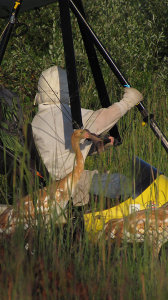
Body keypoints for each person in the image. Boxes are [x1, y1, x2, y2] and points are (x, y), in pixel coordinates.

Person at [31, 66, 143, 206]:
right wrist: (127, 102)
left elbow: (62, 152)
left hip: (55, 184)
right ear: (67, 88)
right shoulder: (63, 113)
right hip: (74, 183)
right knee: (127, 184)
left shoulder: (36, 121)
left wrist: (96, 147)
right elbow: (101, 120)